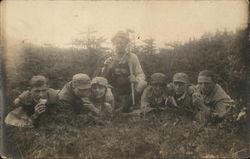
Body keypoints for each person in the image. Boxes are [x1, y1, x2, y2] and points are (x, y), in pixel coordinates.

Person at [101, 31, 147, 112]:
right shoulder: (110, 59)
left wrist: (136, 79)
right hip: (115, 89)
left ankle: (125, 107)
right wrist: (105, 66)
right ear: (114, 44)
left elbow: (141, 74)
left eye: (121, 43)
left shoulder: (132, 57)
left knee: (143, 83)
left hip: (129, 89)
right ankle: (118, 107)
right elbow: (103, 77)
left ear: (126, 44)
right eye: (117, 43)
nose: (119, 45)